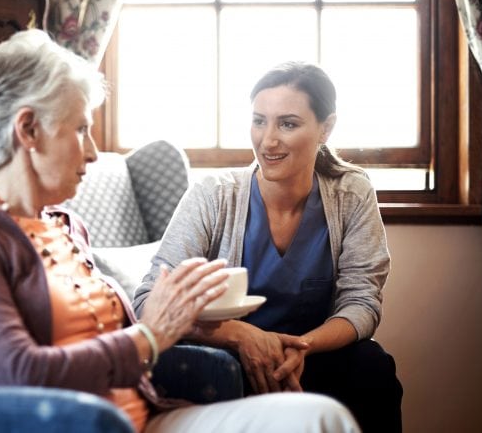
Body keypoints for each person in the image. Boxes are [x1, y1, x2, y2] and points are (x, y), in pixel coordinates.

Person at [0, 31, 361, 433]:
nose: (92, 152)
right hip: (66, 425)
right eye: (82, 129)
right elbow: (19, 372)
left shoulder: (67, 230)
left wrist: (183, 319)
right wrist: (151, 334)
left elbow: (141, 335)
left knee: (323, 416)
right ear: (28, 129)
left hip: (141, 417)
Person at [133, 61, 403, 432]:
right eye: (259, 121)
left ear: (326, 128)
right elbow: (148, 300)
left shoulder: (351, 193)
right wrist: (241, 335)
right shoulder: (213, 196)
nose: (268, 140)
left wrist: (300, 347)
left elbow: (362, 303)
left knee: (371, 365)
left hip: (309, 357)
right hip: (226, 359)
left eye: (287, 124)